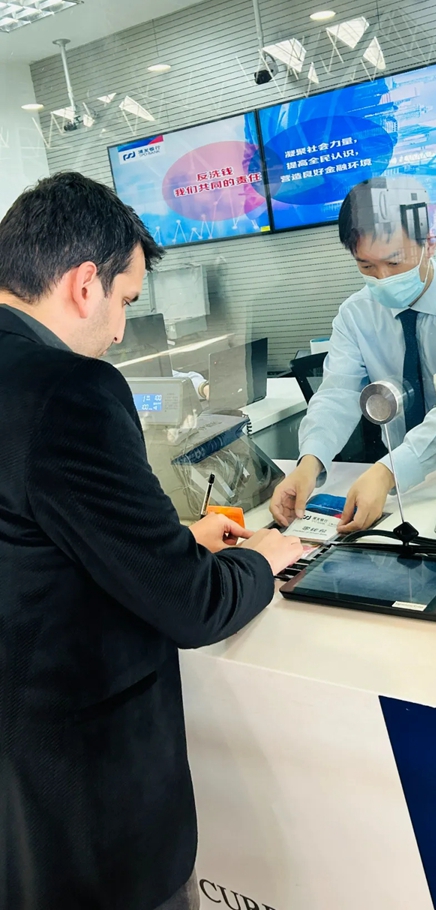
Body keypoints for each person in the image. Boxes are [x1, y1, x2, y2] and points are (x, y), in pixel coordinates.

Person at [0, 171, 302, 910]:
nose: (118, 332)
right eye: (126, 302)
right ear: (84, 285)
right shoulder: (69, 387)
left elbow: (32, 533)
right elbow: (193, 606)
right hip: (86, 809)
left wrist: (168, 536)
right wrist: (259, 559)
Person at [270, 177, 436, 533]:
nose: (382, 278)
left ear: (430, 242)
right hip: (398, 486)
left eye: (395, 263)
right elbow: (337, 394)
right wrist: (309, 462)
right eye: (366, 266)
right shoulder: (355, 314)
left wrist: (388, 472)